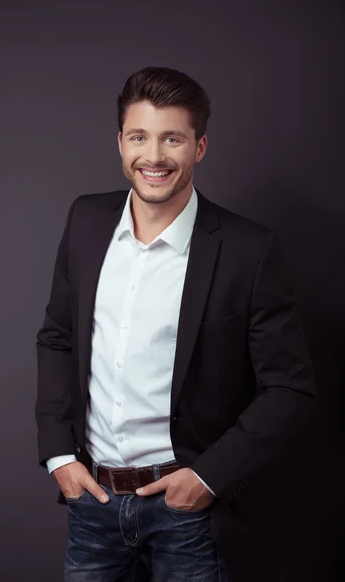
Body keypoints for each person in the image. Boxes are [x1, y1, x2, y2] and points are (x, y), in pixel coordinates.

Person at [35, 66, 316, 581]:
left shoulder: (248, 250)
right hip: (91, 502)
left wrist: (209, 477)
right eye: (139, 137)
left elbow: (289, 387)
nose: (154, 157)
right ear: (121, 143)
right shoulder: (86, 220)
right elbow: (58, 337)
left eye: (173, 139)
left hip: (187, 513)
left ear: (200, 147)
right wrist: (57, 455)